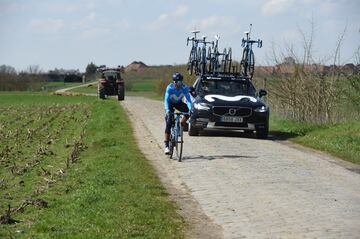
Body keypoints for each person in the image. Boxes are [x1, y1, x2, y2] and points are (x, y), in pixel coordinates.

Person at [164, 72, 192, 154]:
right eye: (177, 82)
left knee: (188, 112)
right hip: (170, 104)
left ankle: (181, 124)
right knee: (169, 122)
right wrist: (167, 110)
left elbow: (189, 101)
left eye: (180, 82)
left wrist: (190, 109)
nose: (178, 84)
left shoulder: (185, 88)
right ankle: (166, 146)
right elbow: (166, 100)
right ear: (174, 82)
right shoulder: (169, 88)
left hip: (179, 103)